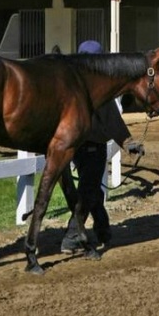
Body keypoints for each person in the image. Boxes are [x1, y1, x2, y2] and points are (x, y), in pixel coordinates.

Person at [61, 40, 144, 254]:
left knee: (90, 189)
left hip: (76, 147)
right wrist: (128, 142)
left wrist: (128, 142)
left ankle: (103, 229)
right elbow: (112, 121)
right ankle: (72, 236)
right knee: (88, 190)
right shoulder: (99, 91)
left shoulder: (72, 88)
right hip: (92, 146)